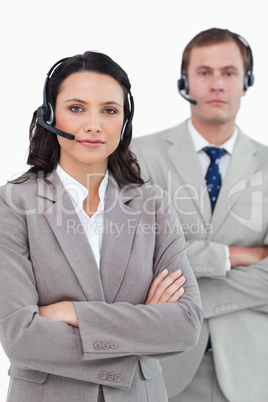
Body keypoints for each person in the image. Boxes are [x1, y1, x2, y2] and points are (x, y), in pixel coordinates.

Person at [0, 51, 203, 402]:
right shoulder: (13, 203)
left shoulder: (153, 204)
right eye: (77, 108)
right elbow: (21, 338)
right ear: (50, 115)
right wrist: (142, 326)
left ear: (124, 122)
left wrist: (73, 313)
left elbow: (184, 325)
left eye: (109, 110)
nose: (94, 124)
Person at [132, 28, 268, 402]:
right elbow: (135, 258)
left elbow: (160, 268)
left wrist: (179, 302)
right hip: (163, 368)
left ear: (246, 83)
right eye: (204, 72)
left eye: (229, 72)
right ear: (184, 82)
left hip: (252, 373)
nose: (217, 84)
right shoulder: (138, 156)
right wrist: (231, 256)